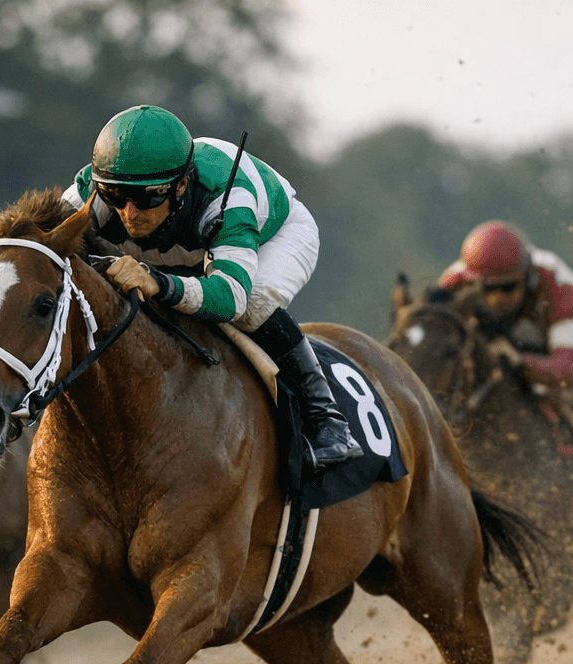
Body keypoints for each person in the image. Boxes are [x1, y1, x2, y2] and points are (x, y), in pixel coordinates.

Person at [61, 104, 362, 472]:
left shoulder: (229, 199)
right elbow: (42, 246)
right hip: (189, 241)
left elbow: (230, 297)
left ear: (182, 184)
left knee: (253, 303)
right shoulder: (98, 192)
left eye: (147, 197)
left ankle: (326, 418)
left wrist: (157, 281)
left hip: (274, 236)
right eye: (115, 195)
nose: (130, 213)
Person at [438, 221, 573, 473]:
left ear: (526, 276)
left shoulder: (557, 286)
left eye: (507, 287)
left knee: (570, 391)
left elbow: (568, 372)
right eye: (486, 289)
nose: (495, 298)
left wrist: (522, 363)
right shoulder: (453, 283)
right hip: (520, 336)